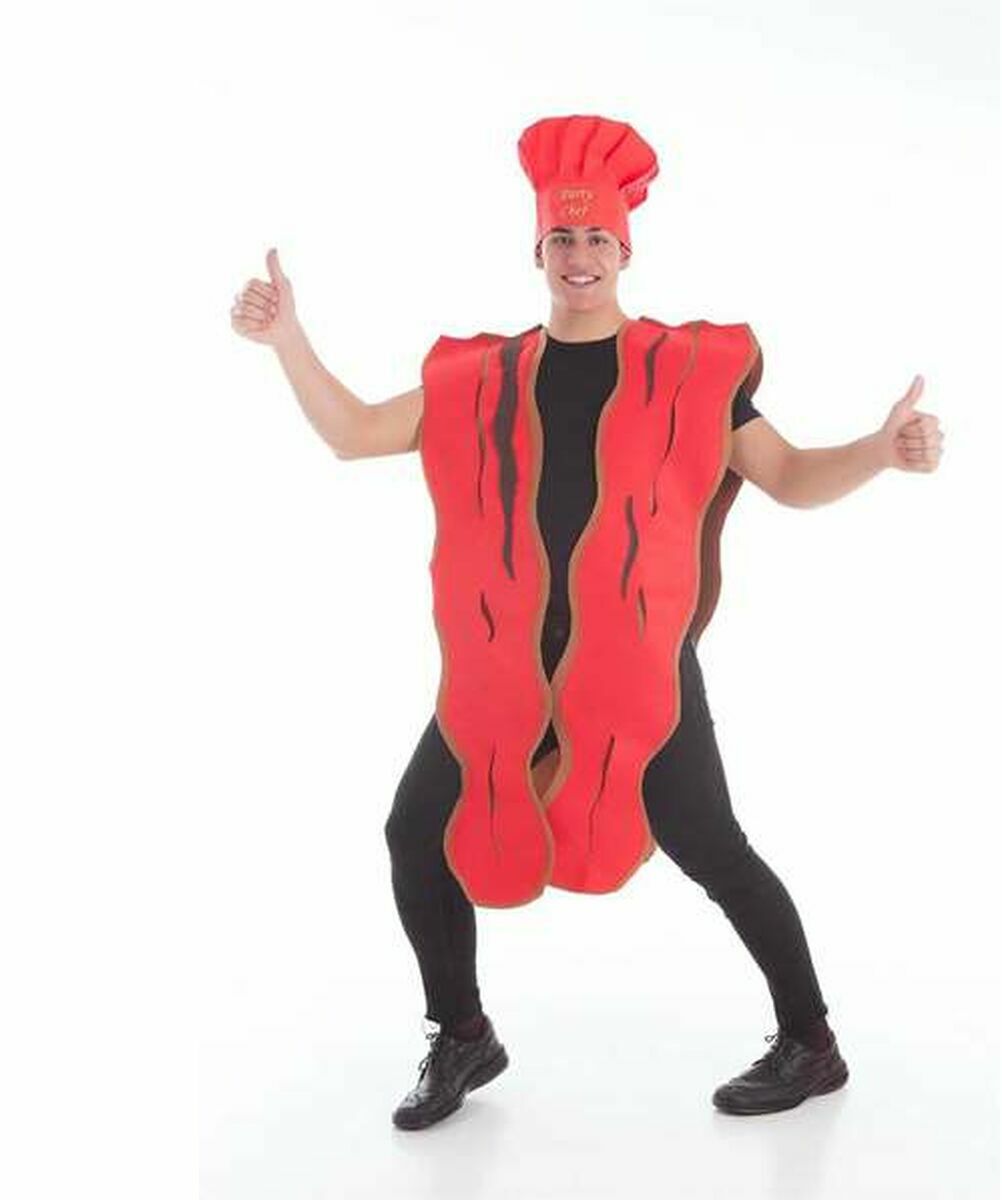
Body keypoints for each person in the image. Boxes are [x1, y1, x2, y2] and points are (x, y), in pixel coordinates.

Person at [230, 113, 944, 1133]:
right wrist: (288, 341)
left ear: (624, 252)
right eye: (561, 238)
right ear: (537, 252)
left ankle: (811, 1044)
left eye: (597, 238)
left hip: (635, 667)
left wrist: (879, 450)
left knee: (709, 842)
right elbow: (354, 433)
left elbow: (787, 475)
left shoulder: (690, 372)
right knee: (416, 831)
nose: (579, 255)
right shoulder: (479, 378)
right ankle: (463, 1035)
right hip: (503, 668)